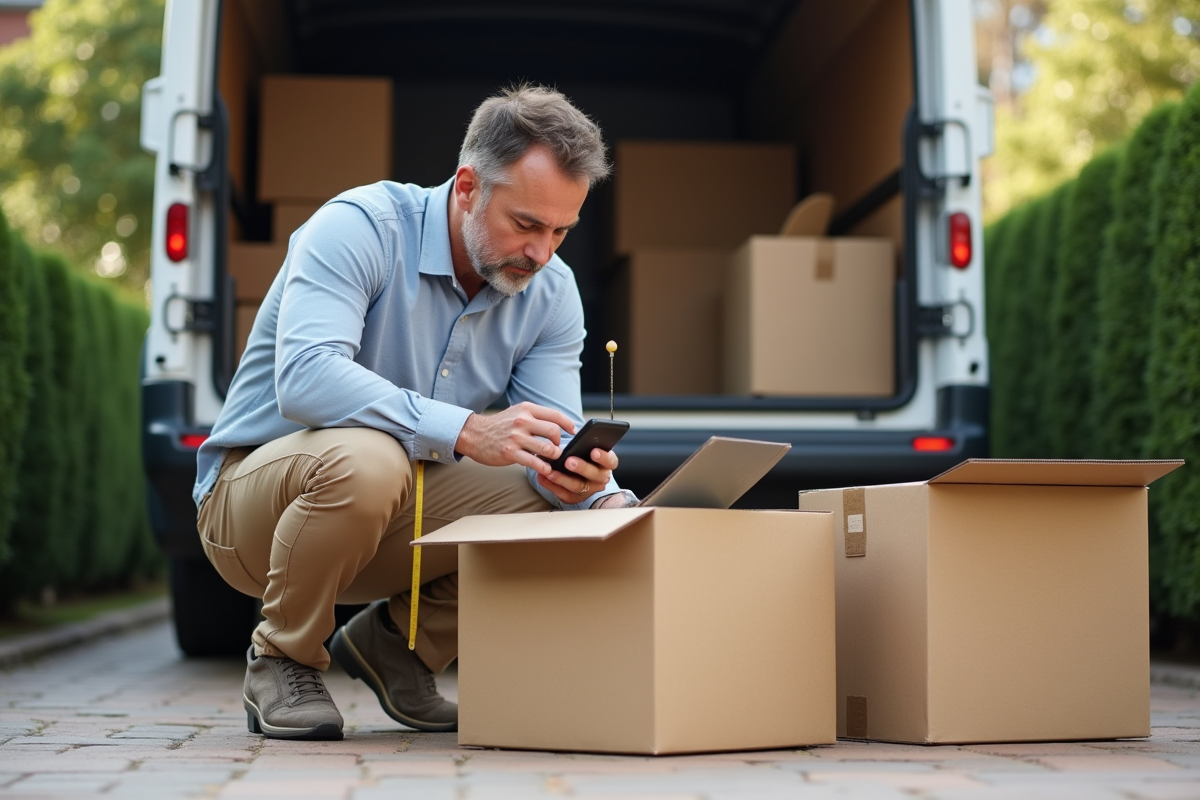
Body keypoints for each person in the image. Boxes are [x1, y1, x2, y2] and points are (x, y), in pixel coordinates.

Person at [193, 84, 638, 742]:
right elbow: (305, 379)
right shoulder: (359, 226)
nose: (542, 253)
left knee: (553, 498)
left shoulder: (551, 290)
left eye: (561, 230)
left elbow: (554, 438)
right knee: (370, 456)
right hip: (252, 510)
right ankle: (282, 659)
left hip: (393, 512)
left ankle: (400, 649)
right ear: (466, 187)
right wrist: (463, 429)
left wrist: (600, 499)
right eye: (526, 224)